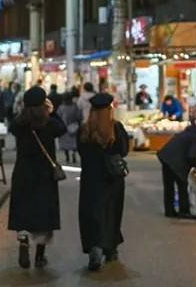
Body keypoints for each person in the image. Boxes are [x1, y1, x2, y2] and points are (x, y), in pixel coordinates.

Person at [7, 87, 66, 269]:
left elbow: (12, 125)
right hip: (44, 175)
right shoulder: (50, 124)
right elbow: (62, 128)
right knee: (43, 214)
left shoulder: (19, 124)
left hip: (23, 173)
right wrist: (52, 111)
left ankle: (24, 241)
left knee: (24, 209)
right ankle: (40, 257)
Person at [78, 93, 130, 271]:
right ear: (109, 109)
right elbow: (124, 151)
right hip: (112, 180)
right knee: (112, 213)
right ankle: (110, 248)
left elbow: (82, 153)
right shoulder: (116, 128)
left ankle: (94, 247)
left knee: (92, 213)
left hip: (90, 180)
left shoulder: (85, 130)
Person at [156, 123, 196, 218]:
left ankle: (169, 211)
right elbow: (191, 157)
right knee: (182, 184)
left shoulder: (192, 133)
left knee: (169, 185)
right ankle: (184, 211)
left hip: (165, 155)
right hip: (175, 160)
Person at [56, 93, 81, 164]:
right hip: (73, 127)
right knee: (73, 143)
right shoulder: (74, 106)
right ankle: (73, 154)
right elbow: (79, 116)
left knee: (65, 144)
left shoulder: (61, 107)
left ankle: (67, 157)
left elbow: (58, 116)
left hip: (64, 128)